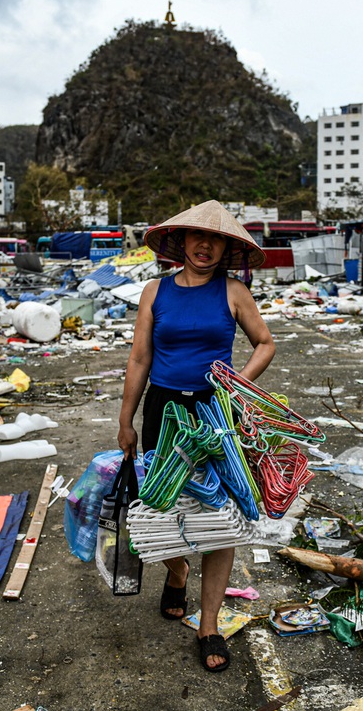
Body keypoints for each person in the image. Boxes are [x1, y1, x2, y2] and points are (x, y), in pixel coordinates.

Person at [118, 200, 275, 673]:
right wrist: (125, 420)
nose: (205, 246)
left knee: (219, 518)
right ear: (181, 242)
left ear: (226, 247)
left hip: (215, 411)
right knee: (160, 511)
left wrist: (237, 386)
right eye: (197, 238)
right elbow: (140, 360)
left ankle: (209, 624)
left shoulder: (234, 291)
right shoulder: (154, 292)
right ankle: (177, 569)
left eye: (216, 240)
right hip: (164, 411)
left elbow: (265, 343)